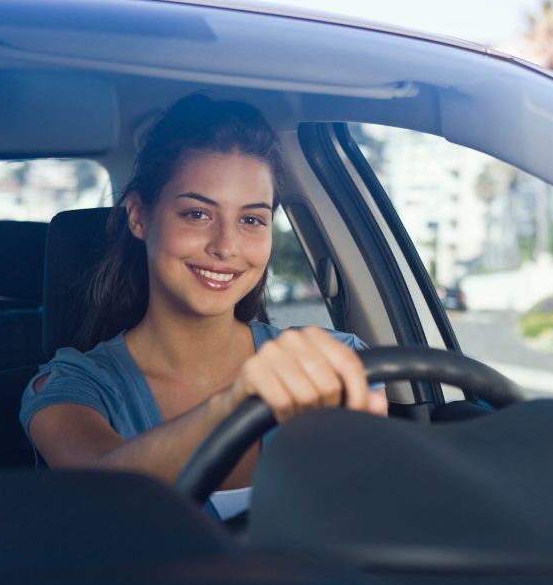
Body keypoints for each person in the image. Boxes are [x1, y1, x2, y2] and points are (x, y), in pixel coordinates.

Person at [20, 94, 387, 518]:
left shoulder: (335, 361)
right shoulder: (74, 386)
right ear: (139, 216)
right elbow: (102, 488)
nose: (226, 247)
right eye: (197, 214)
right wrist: (239, 404)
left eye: (251, 220)